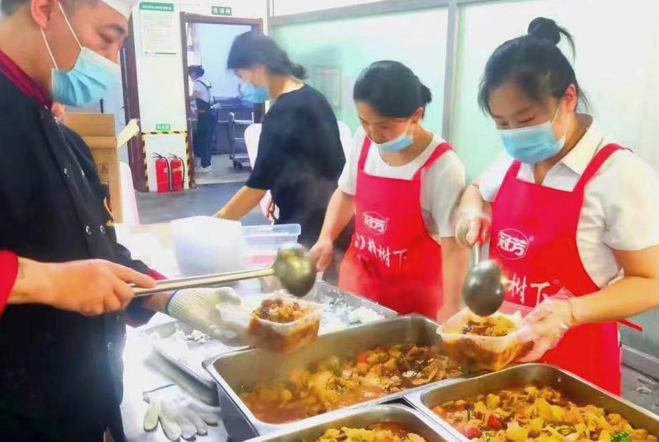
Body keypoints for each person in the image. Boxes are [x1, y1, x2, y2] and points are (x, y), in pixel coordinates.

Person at [0, 0, 233, 442]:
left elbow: (95, 248)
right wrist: (47, 282)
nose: (112, 59)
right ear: (45, 8)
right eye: (107, 37)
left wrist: (170, 297)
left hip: (73, 413)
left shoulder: (59, 130)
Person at [455, 17, 659, 394]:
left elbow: (652, 283)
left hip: (576, 369)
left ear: (568, 98)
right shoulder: (513, 160)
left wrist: (569, 312)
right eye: (502, 123)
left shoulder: (620, 175)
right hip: (502, 357)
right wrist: (471, 211)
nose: (515, 134)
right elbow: (476, 189)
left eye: (526, 119)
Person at [312, 61, 467, 322]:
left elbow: (454, 247)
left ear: (416, 115)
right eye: (364, 121)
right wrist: (326, 237)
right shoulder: (363, 141)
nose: (373, 134)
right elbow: (346, 193)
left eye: (384, 126)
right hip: (358, 289)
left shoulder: (443, 167)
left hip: (411, 304)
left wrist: (452, 306)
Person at [216, 32, 346, 249]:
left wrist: (217, 222)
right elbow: (313, 162)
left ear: (258, 67)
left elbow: (256, 186)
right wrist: (278, 191)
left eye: (242, 76)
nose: (242, 84)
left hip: (307, 228)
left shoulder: (284, 112)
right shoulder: (313, 98)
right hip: (333, 220)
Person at [189, 64, 218, 173]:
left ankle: (205, 166)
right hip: (213, 114)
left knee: (203, 140)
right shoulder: (206, 81)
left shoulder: (198, 83)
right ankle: (207, 164)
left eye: (190, 74)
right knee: (208, 140)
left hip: (205, 116)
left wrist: (182, 98)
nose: (190, 77)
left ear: (194, 73)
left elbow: (193, 97)